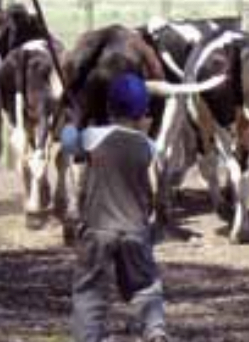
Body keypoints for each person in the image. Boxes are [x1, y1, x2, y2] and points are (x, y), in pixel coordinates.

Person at [61, 73, 168, 342]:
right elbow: (158, 188)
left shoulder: (92, 136)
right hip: (135, 229)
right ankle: (155, 330)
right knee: (145, 285)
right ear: (144, 112)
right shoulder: (148, 145)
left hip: (97, 229)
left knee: (89, 289)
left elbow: (68, 144)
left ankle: (89, 336)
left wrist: (73, 122)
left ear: (109, 108)